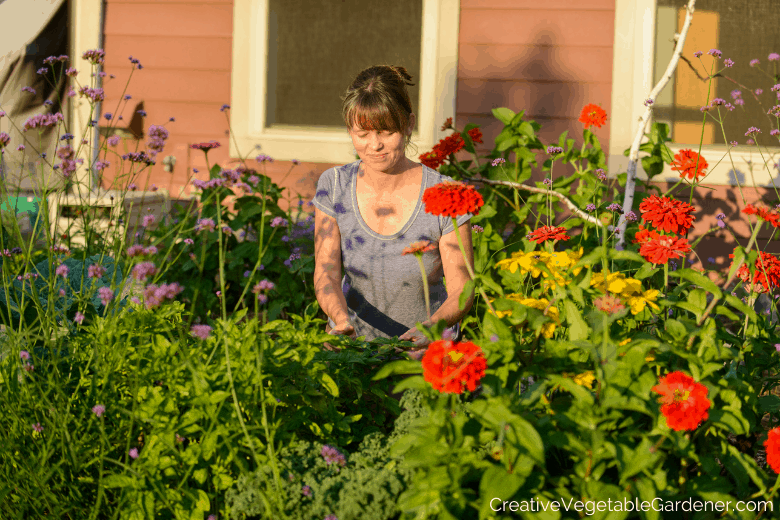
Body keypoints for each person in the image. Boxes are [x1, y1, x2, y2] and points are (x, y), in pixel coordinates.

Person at [311, 65, 475, 360]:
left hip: (425, 358)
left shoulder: (445, 195)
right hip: (353, 355)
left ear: (409, 124)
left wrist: (431, 329)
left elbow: (462, 290)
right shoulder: (334, 185)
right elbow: (326, 274)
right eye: (362, 133)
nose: (374, 145)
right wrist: (340, 320)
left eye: (386, 131)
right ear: (350, 131)